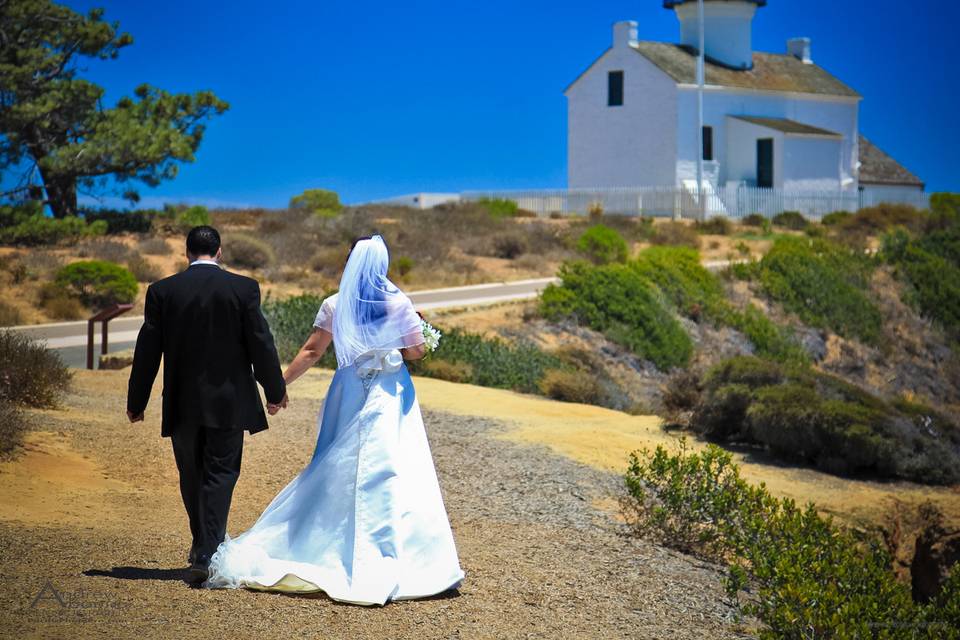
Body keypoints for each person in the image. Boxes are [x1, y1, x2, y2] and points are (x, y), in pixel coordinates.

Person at [204, 235, 464, 606]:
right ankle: (399, 552)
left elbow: (312, 351)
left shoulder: (334, 304)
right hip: (389, 392)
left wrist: (277, 388)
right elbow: (416, 351)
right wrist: (419, 329)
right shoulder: (398, 303)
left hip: (348, 391)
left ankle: (325, 541)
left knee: (339, 462)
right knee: (391, 464)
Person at [126, 225, 287, 583]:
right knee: (221, 473)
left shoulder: (163, 291)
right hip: (229, 402)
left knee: (192, 474)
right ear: (219, 251)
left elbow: (147, 350)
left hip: (182, 403)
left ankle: (204, 545)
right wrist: (274, 391)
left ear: (187, 253)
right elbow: (260, 342)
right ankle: (208, 550)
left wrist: (136, 401)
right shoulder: (243, 288)